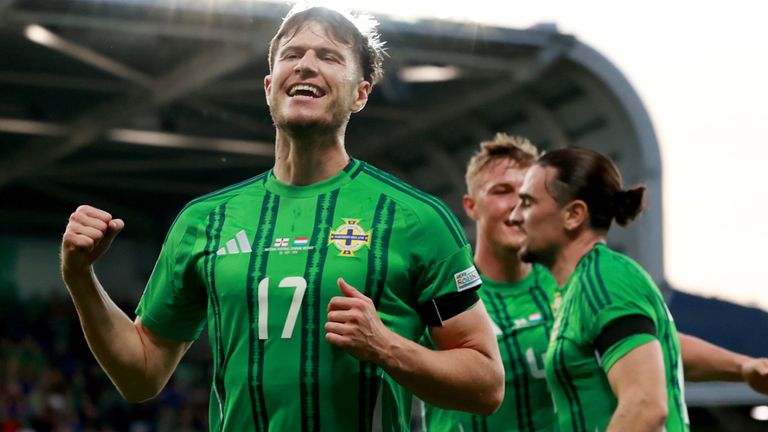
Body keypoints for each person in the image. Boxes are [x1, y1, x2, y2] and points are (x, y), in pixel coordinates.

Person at [59, 6, 503, 432]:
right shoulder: (204, 220)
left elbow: (486, 383)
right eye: (292, 54)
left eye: (329, 56)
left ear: (361, 93)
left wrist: (387, 347)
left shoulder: (416, 219)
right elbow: (141, 374)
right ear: (270, 86)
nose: (306, 65)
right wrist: (80, 276)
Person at [424, 135, 768, 432]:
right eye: (503, 192)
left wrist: (740, 366)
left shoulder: (599, 281)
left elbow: (646, 386)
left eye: (527, 198)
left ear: (572, 213)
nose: (516, 210)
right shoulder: (446, 292)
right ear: (470, 206)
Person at [510, 147, 686, 431]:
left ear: (573, 214)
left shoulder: (605, 280)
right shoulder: (583, 286)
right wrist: (741, 367)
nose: (515, 216)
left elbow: (645, 406)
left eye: (527, 203)